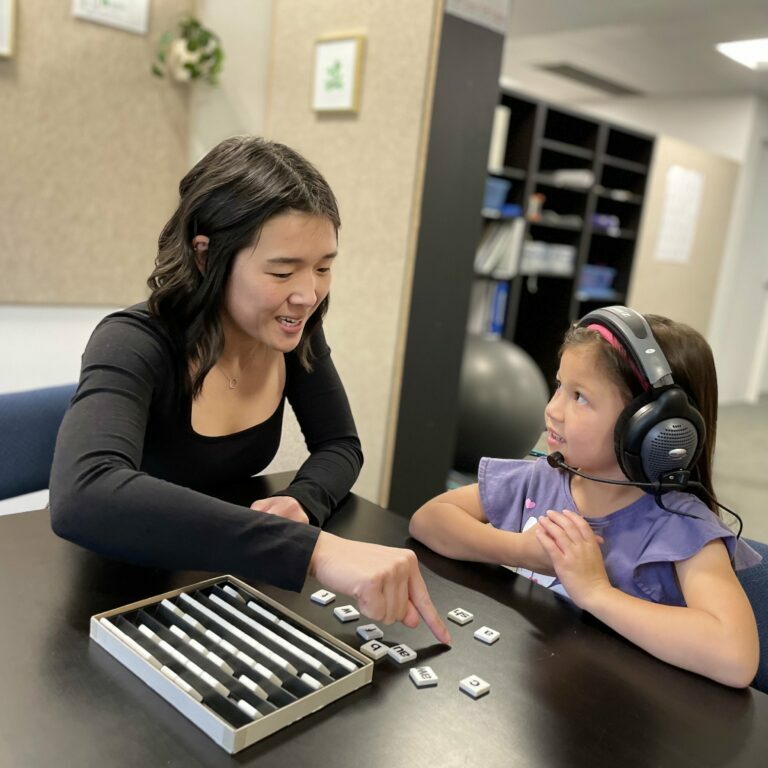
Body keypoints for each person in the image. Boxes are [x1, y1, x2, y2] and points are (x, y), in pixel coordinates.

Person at [50, 136, 450, 645]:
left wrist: (301, 503)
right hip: (114, 602)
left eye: (324, 267)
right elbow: (83, 493)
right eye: (282, 271)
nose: (307, 295)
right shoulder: (132, 341)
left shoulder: (291, 333)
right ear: (205, 256)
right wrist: (311, 550)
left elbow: (339, 445)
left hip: (220, 584)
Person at [410, 308, 760, 684]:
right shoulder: (542, 479)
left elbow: (735, 658)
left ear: (652, 428)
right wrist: (520, 552)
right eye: (559, 386)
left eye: (580, 398)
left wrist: (596, 592)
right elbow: (429, 520)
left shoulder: (681, 529)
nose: (552, 409)